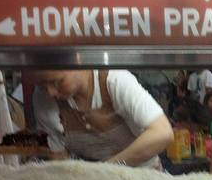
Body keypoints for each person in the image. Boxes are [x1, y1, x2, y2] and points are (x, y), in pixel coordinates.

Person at [30, 69, 174, 169]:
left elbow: (162, 134)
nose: (51, 92)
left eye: (57, 82)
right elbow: (58, 156)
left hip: (141, 178)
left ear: (76, 61)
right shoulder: (43, 98)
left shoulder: (114, 80)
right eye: (42, 86)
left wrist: (109, 168)